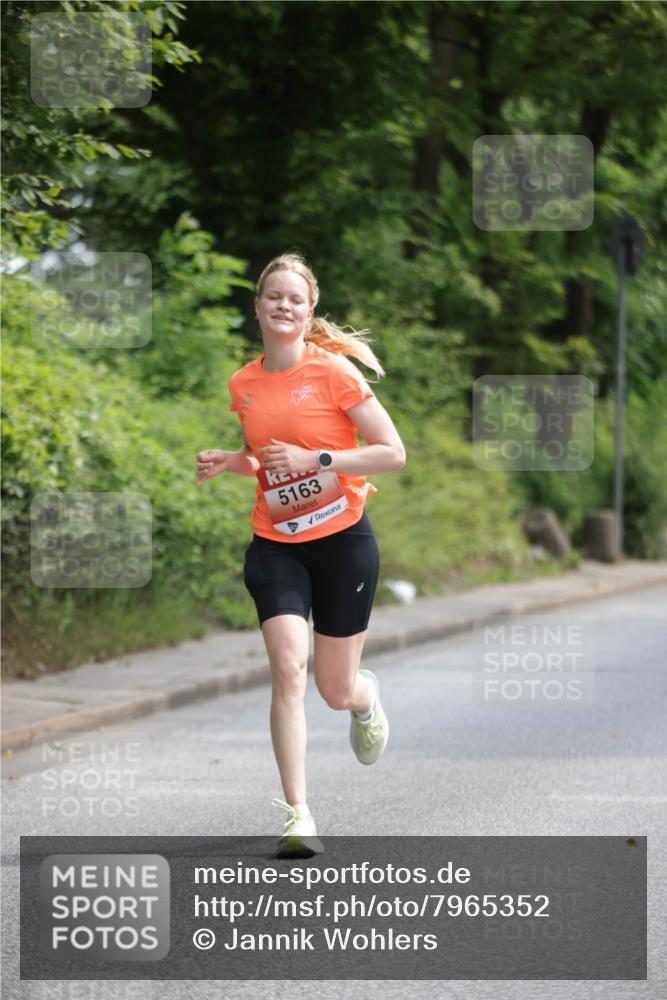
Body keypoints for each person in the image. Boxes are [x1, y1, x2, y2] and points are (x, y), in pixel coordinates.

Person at [196, 252, 406, 858]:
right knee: (288, 668)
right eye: (273, 297)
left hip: (343, 540)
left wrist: (320, 461)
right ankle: (298, 815)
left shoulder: (336, 373)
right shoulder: (244, 382)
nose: (283, 306)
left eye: (295, 298)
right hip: (277, 543)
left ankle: (363, 699)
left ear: (309, 309)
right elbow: (264, 457)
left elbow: (392, 452)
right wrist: (233, 461)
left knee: (332, 689)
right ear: (257, 307)